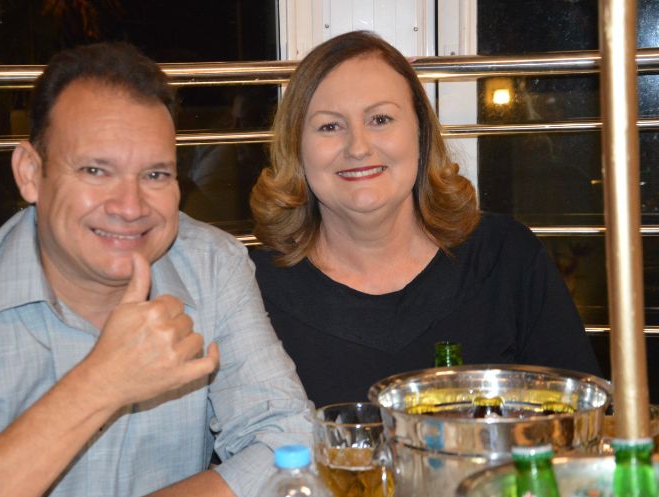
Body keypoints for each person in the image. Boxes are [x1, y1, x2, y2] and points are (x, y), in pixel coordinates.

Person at [0, 42, 311, 497]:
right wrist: (99, 384)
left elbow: (292, 446)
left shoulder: (213, 266)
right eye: (96, 170)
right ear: (31, 174)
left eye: (155, 174)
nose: (130, 206)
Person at [249, 31, 601, 408]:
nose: (358, 147)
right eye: (329, 126)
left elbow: (584, 422)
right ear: (297, 148)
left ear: (421, 132)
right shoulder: (250, 291)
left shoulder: (507, 258)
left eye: (380, 119)